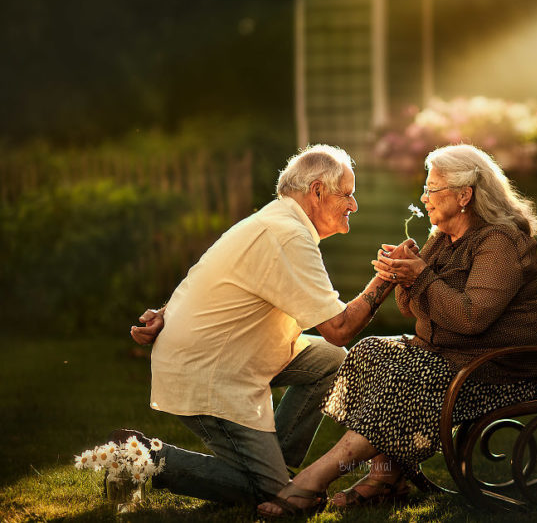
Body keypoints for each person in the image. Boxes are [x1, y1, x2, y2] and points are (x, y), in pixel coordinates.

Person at [257, 143, 537, 517]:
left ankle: (311, 481)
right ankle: (386, 478)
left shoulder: (498, 241)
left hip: (501, 369)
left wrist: (420, 275)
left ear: (464, 195)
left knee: (411, 375)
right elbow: (412, 309)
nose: (424, 197)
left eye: (432, 189)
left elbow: (471, 318)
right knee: (373, 351)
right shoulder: (443, 238)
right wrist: (401, 276)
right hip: (456, 358)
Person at [124, 144, 415, 506]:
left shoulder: (277, 221)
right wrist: (387, 277)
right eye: (348, 195)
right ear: (318, 191)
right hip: (209, 371)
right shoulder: (287, 234)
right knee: (273, 492)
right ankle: (138, 458)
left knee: (332, 360)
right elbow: (339, 327)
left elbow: (209, 277)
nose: (354, 205)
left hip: (233, 354)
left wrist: (165, 310)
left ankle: (278, 469)